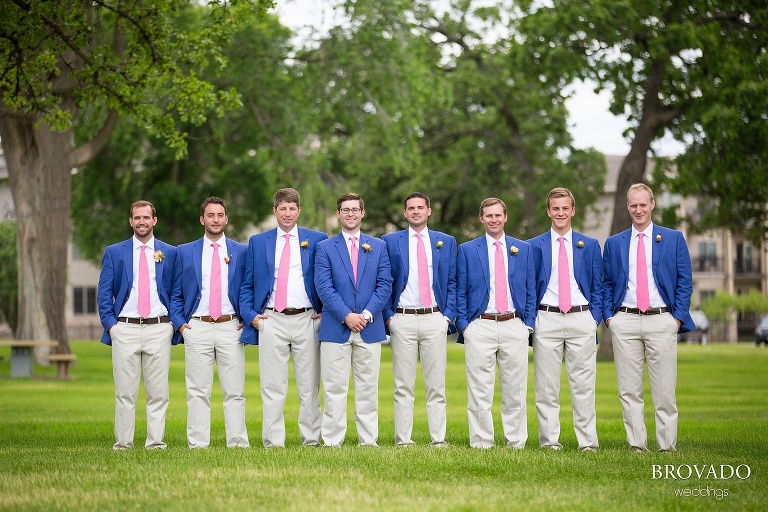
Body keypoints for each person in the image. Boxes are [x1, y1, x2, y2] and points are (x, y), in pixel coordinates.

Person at [602, 183, 695, 452]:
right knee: (629, 391)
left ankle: (667, 446)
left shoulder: (673, 238)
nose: (638, 210)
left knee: (665, 390)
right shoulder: (614, 243)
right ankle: (637, 445)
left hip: (661, 320)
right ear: (627, 207)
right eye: (633, 205)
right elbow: (607, 283)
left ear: (652, 204)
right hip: (625, 321)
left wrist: (676, 319)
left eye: (643, 204)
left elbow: (684, 282)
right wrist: (610, 318)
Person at [239, 188, 328, 448]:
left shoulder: (317, 239)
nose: (287, 213)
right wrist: (251, 316)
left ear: (299, 211)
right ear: (274, 211)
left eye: (292, 208)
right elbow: (247, 284)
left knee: (309, 385)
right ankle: (273, 441)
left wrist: (323, 310)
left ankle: (311, 439)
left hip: (307, 319)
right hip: (271, 319)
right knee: (272, 386)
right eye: (282, 208)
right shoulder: (258, 242)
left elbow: (323, 278)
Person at [97, 200, 180, 450]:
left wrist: (171, 325)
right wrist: (112, 326)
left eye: (146, 217)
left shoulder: (170, 252)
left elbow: (176, 291)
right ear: (130, 221)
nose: (141, 222)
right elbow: (104, 294)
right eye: (137, 218)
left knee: (158, 392)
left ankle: (155, 442)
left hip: (159, 327)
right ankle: (123, 443)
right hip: (125, 328)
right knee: (125, 392)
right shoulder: (115, 252)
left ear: (155, 220)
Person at [456, 197, 536, 449]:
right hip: (481, 324)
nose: (493, 220)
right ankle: (481, 441)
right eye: (488, 216)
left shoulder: (522, 249)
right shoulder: (468, 250)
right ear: (481, 219)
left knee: (515, 388)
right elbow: (459, 290)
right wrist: (465, 326)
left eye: (497, 215)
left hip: (514, 324)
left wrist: (528, 325)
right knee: (480, 389)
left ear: (505, 217)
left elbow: (531, 289)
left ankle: (516, 441)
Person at [170, 197, 249, 449]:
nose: (216, 220)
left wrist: (246, 319)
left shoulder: (242, 251)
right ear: (202, 219)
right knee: (197, 390)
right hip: (197, 326)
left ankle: (237, 442)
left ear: (226, 219)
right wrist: (181, 324)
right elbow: (175, 293)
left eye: (220, 215)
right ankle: (198, 443)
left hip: (231, 326)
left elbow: (251, 289)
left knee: (234, 390)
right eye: (210, 215)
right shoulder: (184, 251)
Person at [314, 192, 392, 447]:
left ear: (362, 213)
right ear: (338, 214)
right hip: (336, 327)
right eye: (345, 210)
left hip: (370, 327)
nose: (350, 214)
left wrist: (366, 315)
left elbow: (385, 284)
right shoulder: (325, 248)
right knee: (334, 389)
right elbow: (323, 287)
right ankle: (332, 441)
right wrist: (346, 315)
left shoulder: (378, 246)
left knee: (368, 389)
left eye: (354, 209)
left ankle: (368, 441)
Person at [527, 187, 603, 452]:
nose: (560, 213)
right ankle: (549, 441)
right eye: (555, 208)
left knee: (583, 385)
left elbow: (599, 285)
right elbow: (527, 286)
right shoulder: (532, 246)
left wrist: (594, 319)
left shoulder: (589, 245)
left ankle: (587, 443)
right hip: (546, 318)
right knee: (546, 387)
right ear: (549, 211)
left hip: (581, 318)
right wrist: (532, 320)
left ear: (573, 210)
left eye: (565, 208)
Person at [382, 192, 457, 447]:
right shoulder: (389, 242)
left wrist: (448, 318)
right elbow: (384, 281)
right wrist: (388, 317)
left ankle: (438, 439)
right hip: (401, 318)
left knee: (436, 384)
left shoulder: (445, 242)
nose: (415, 211)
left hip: (435, 318)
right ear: (404, 213)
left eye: (420, 207)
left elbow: (453, 281)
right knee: (403, 384)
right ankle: (403, 439)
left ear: (429, 211)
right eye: (411, 208)